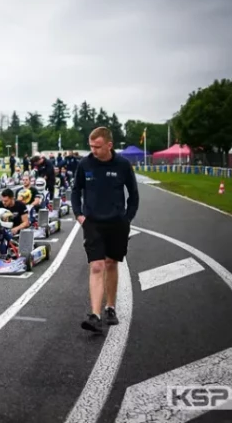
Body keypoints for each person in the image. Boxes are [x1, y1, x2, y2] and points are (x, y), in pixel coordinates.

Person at [72, 127, 139, 333]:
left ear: (109, 145)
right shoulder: (85, 164)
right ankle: (95, 315)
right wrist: (79, 215)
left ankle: (110, 307)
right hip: (92, 223)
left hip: (116, 223)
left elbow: (133, 194)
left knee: (111, 264)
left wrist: (127, 218)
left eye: (98, 147)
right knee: (96, 266)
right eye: (91, 146)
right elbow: (75, 190)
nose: (93, 150)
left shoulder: (123, 165)